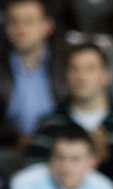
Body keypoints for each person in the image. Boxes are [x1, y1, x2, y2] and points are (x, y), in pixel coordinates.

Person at [26, 43, 113, 181]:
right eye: (74, 69)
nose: (81, 76)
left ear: (106, 75)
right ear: (67, 75)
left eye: (90, 69)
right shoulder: (49, 124)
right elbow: (34, 177)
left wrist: (107, 161)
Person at [0, 0, 67, 153]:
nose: (20, 29)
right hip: (10, 149)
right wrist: (16, 139)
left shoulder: (67, 64)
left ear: (48, 25)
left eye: (29, 22)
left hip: (60, 149)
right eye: (13, 22)